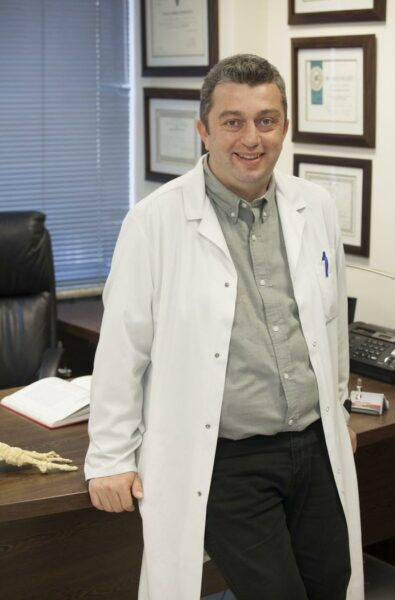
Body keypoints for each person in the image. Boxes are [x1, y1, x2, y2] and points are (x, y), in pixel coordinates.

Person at [85, 54, 363, 600]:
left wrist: (338, 410)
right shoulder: (155, 221)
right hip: (227, 457)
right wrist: (109, 458)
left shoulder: (316, 206)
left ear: (285, 126)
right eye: (233, 122)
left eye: (266, 120)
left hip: (313, 444)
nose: (251, 139)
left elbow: (329, 329)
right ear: (204, 131)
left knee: (332, 582)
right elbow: (122, 350)